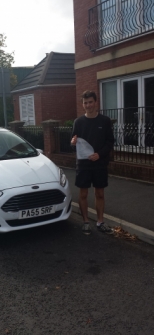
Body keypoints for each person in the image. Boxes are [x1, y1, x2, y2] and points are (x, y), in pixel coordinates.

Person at [71, 90, 114, 235]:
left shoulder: (105, 121)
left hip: (99, 163)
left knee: (100, 193)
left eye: (90, 102)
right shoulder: (78, 122)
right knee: (83, 193)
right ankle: (85, 222)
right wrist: (72, 142)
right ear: (82, 104)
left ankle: (100, 221)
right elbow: (73, 142)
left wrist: (99, 154)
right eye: (85, 103)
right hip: (83, 164)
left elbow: (110, 142)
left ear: (96, 103)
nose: (88, 105)